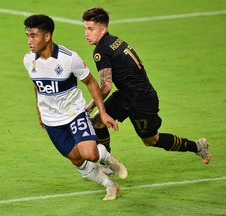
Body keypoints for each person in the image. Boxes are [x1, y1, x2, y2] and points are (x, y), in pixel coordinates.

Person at [81, 7, 212, 174]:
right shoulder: (114, 40)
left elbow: (106, 86)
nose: (86, 33)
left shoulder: (101, 50)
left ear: (103, 28)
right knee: (97, 122)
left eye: (91, 29)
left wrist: (92, 105)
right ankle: (107, 163)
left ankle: (197, 146)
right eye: (85, 28)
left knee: (151, 140)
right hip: (127, 95)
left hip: (141, 100)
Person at [23, 14, 128, 201]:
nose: (29, 41)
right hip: (51, 121)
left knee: (90, 153)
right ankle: (110, 185)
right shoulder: (28, 60)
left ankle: (108, 159)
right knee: (77, 159)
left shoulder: (68, 58)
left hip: (74, 113)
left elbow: (91, 82)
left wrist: (102, 112)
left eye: (33, 36)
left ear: (47, 36)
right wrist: (39, 111)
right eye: (27, 36)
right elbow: (37, 85)